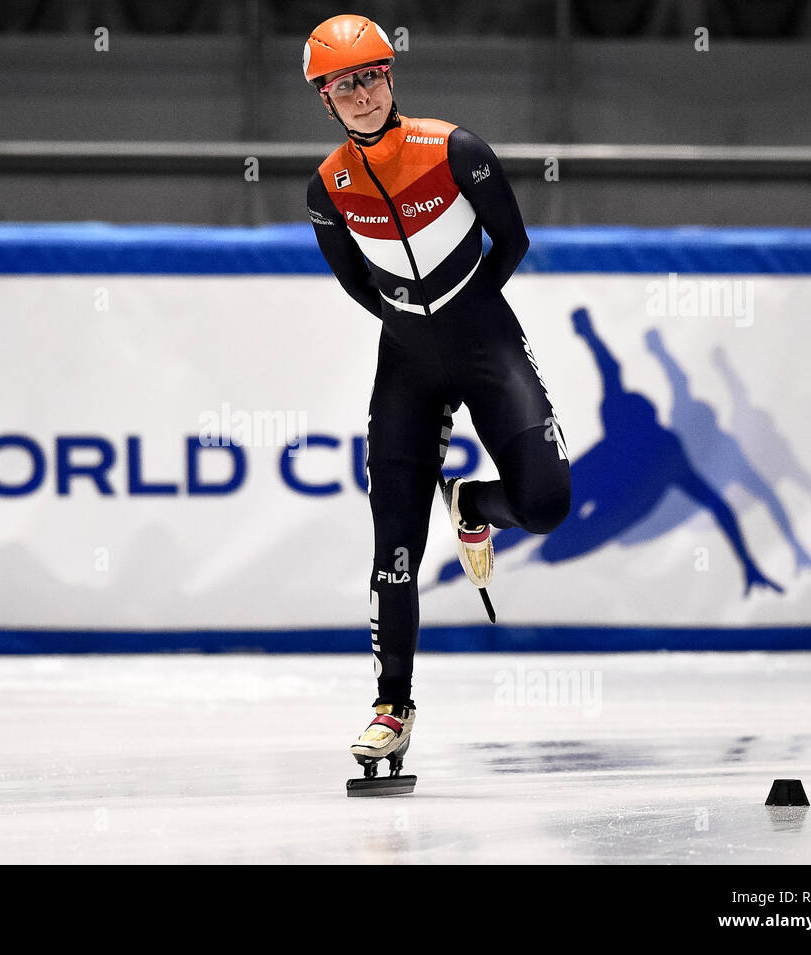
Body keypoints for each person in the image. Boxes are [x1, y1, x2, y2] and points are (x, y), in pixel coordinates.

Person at [303, 14, 572, 787]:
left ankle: (477, 503)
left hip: (485, 337)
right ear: (324, 99)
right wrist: (420, 330)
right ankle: (392, 708)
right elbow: (359, 284)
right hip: (408, 363)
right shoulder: (327, 189)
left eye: (369, 76)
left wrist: (468, 319)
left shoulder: (454, 149)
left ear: (390, 77)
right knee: (394, 547)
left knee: (548, 504)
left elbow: (511, 242)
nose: (358, 94)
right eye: (340, 85)